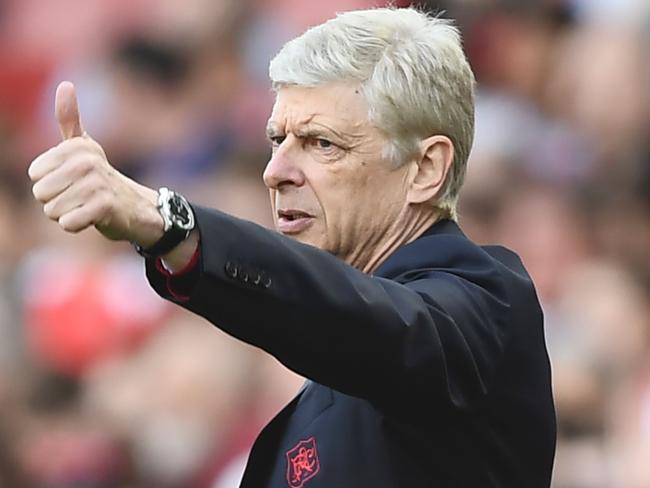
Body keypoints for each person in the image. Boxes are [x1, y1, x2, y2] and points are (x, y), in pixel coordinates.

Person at [28, 7, 556, 487]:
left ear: (425, 169)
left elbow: (374, 325)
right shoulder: (329, 363)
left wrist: (170, 224)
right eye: (277, 141)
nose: (274, 171)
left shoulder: (485, 307)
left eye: (321, 143)